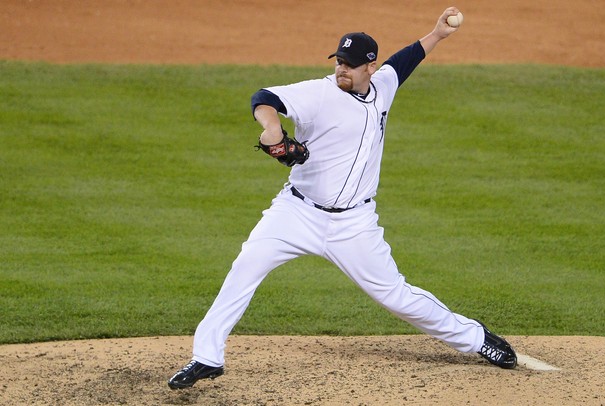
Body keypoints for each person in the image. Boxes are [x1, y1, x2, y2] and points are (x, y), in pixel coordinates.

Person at [168, 6, 517, 390]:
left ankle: (477, 339)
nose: (341, 70)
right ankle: (206, 356)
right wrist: (272, 129)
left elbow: (405, 60)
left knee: (395, 296)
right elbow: (263, 97)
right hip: (297, 212)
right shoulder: (319, 93)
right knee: (246, 265)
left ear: (370, 67)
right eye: (339, 61)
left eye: (350, 65)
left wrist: (436, 35)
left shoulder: (383, 84)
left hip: (354, 224)